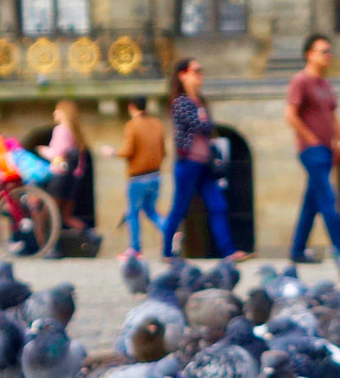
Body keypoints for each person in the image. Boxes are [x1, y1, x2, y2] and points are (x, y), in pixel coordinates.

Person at [161, 58, 238, 261]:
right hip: (188, 163)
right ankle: (167, 252)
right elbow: (200, 126)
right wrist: (203, 120)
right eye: (196, 71)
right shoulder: (181, 101)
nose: (200, 75)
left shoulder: (200, 102)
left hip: (204, 164)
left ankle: (228, 251)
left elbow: (207, 126)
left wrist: (204, 120)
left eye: (201, 71)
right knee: (180, 208)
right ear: (182, 75)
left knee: (218, 205)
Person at [285, 33, 340, 262]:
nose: (328, 55)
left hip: (326, 149)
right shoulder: (301, 81)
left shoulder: (325, 84)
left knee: (311, 203)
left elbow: (332, 115)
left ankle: (297, 250)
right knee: (327, 197)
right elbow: (290, 115)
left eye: (329, 51)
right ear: (309, 54)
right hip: (312, 150)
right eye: (323, 51)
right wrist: (310, 139)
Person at [102, 96, 164, 257]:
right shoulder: (157, 123)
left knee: (133, 213)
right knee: (151, 210)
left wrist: (112, 152)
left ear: (131, 107)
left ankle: (135, 248)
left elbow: (128, 151)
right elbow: (163, 151)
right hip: (156, 175)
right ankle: (170, 232)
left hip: (138, 178)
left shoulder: (132, 125)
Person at [42, 99, 88, 230]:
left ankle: (48, 248)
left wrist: (43, 150)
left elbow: (57, 154)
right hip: (72, 179)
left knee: (47, 215)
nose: (54, 113)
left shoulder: (60, 130)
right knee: (66, 216)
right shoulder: (75, 133)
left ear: (63, 113)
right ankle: (88, 237)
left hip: (59, 177)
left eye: (57, 110)